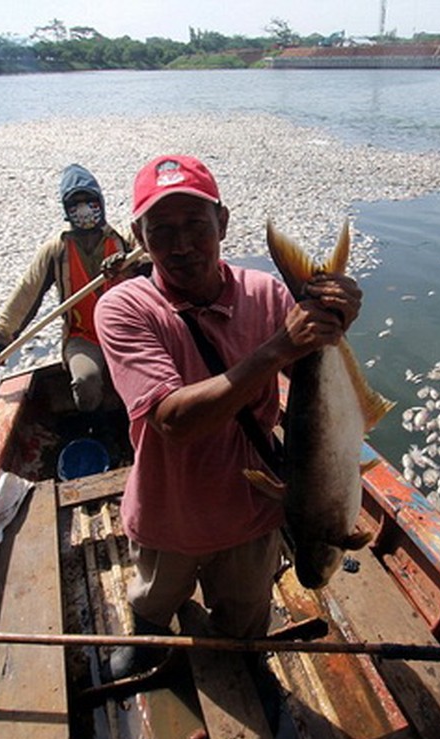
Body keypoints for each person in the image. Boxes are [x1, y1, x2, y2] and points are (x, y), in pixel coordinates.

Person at [94, 155, 362, 678]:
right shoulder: (125, 308)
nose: (182, 245)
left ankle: (242, 660)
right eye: (161, 230)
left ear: (223, 223)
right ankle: (150, 636)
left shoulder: (267, 294)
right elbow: (173, 422)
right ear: (138, 236)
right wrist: (279, 348)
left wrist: (335, 315)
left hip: (250, 515)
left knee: (243, 622)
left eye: (196, 226)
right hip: (167, 511)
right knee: (153, 599)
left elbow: (315, 370)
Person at [0, 163, 142, 412]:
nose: (84, 209)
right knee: (85, 383)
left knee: (144, 380)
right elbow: (27, 292)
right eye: (75, 204)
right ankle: (95, 426)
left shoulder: (124, 241)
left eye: (89, 201)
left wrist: (130, 265)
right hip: (83, 337)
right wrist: (0, 338)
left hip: (127, 332)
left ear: (100, 202)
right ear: (67, 211)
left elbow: (155, 262)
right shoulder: (56, 250)